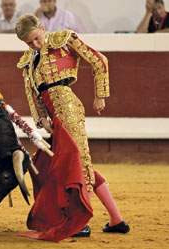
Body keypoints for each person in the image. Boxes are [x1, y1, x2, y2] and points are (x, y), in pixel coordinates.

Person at [15, 14, 129, 241]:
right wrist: (41, 120)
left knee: (78, 163)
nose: (35, 45)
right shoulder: (28, 61)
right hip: (55, 117)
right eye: (30, 43)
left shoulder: (63, 40)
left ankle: (81, 222)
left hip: (68, 107)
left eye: (37, 38)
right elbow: (32, 94)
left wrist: (100, 95)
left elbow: (99, 60)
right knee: (76, 164)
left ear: (43, 28)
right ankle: (116, 220)